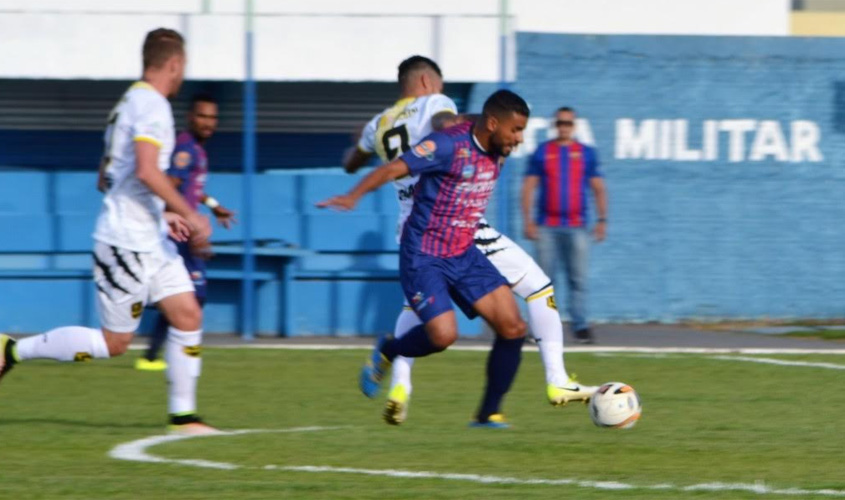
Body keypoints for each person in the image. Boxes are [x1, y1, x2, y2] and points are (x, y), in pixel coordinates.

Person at [345, 57, 595, 427]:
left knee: (488, 324)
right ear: (429, 81)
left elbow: (353, 159)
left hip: (425, 224)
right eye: (515, 130)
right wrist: (476, 121)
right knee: (531, 291)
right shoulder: (437, 106)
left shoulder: (378, 124)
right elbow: (444, 123)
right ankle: (555, 381)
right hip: (438, 224)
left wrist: (356, 160)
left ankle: (411, 384)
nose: (519, 138)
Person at [0, 28, 217, 435]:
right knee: (115, 343)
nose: (182, 74)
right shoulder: (152, 106)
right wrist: (190, 212)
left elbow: (107, 175)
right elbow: (148, 170)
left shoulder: (127, 103)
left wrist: (159, 214)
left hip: (149, 236)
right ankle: (11, 350)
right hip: (126, 242)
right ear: (174, 64)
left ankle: (184, 418)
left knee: (187, 313)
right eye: (182, 67)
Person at [322, 89, 533, 428]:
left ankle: (487, 414)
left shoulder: (495, 142)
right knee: (442, 336)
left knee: (513, 327)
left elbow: (473, 119)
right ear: (493, 124)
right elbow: (393, 169)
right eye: (515, 131)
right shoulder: (447, 146)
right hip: (425, 254)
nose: (519, 139)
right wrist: (352, 196)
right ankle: (389, 350)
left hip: (464, 252)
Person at [135, 92, 236, 372]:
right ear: (191, 117)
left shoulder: (197, 150)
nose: (208, 122)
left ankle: (155, 355)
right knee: (192, 293)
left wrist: (214, 206)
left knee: (185, 292)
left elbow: (194, 188)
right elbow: (169, 186)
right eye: (202, 116)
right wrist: (183, 226)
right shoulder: (185, 149)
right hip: (179, 233)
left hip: (185, 229)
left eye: (213, 117)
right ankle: (163, 354)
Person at [522, 107, 608, 344]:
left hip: (577, 225)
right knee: (543, 282)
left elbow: (598, 187)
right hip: (546, 226)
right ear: (555, 125)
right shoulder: (542, 152)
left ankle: (579, 326)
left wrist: (602, 220)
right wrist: (528, 220)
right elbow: (529, 186)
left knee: (578, 279)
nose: (564, 127)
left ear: (575, 126)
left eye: (568, 123)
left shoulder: (586, 153)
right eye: (560, 123)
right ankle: (539, 328)